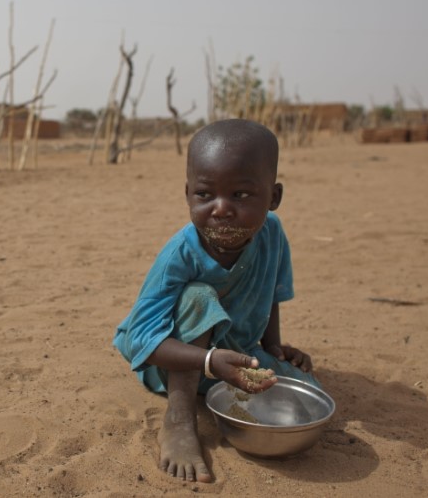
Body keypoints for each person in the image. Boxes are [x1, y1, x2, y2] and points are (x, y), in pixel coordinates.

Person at [113, 119, 321, 482]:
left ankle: (225, 379)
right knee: (198, 296)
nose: (221, 209)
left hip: (234, 359)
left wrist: (273, 347)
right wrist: (208, 359)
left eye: (240, 195)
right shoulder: (181, 254)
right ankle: (179, 420)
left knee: (309, 391)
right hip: (171, 362)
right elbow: (138, 341)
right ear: (188, 193)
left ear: (273, 198)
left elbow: (271, 290)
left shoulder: (271, 233)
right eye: (205, 195)